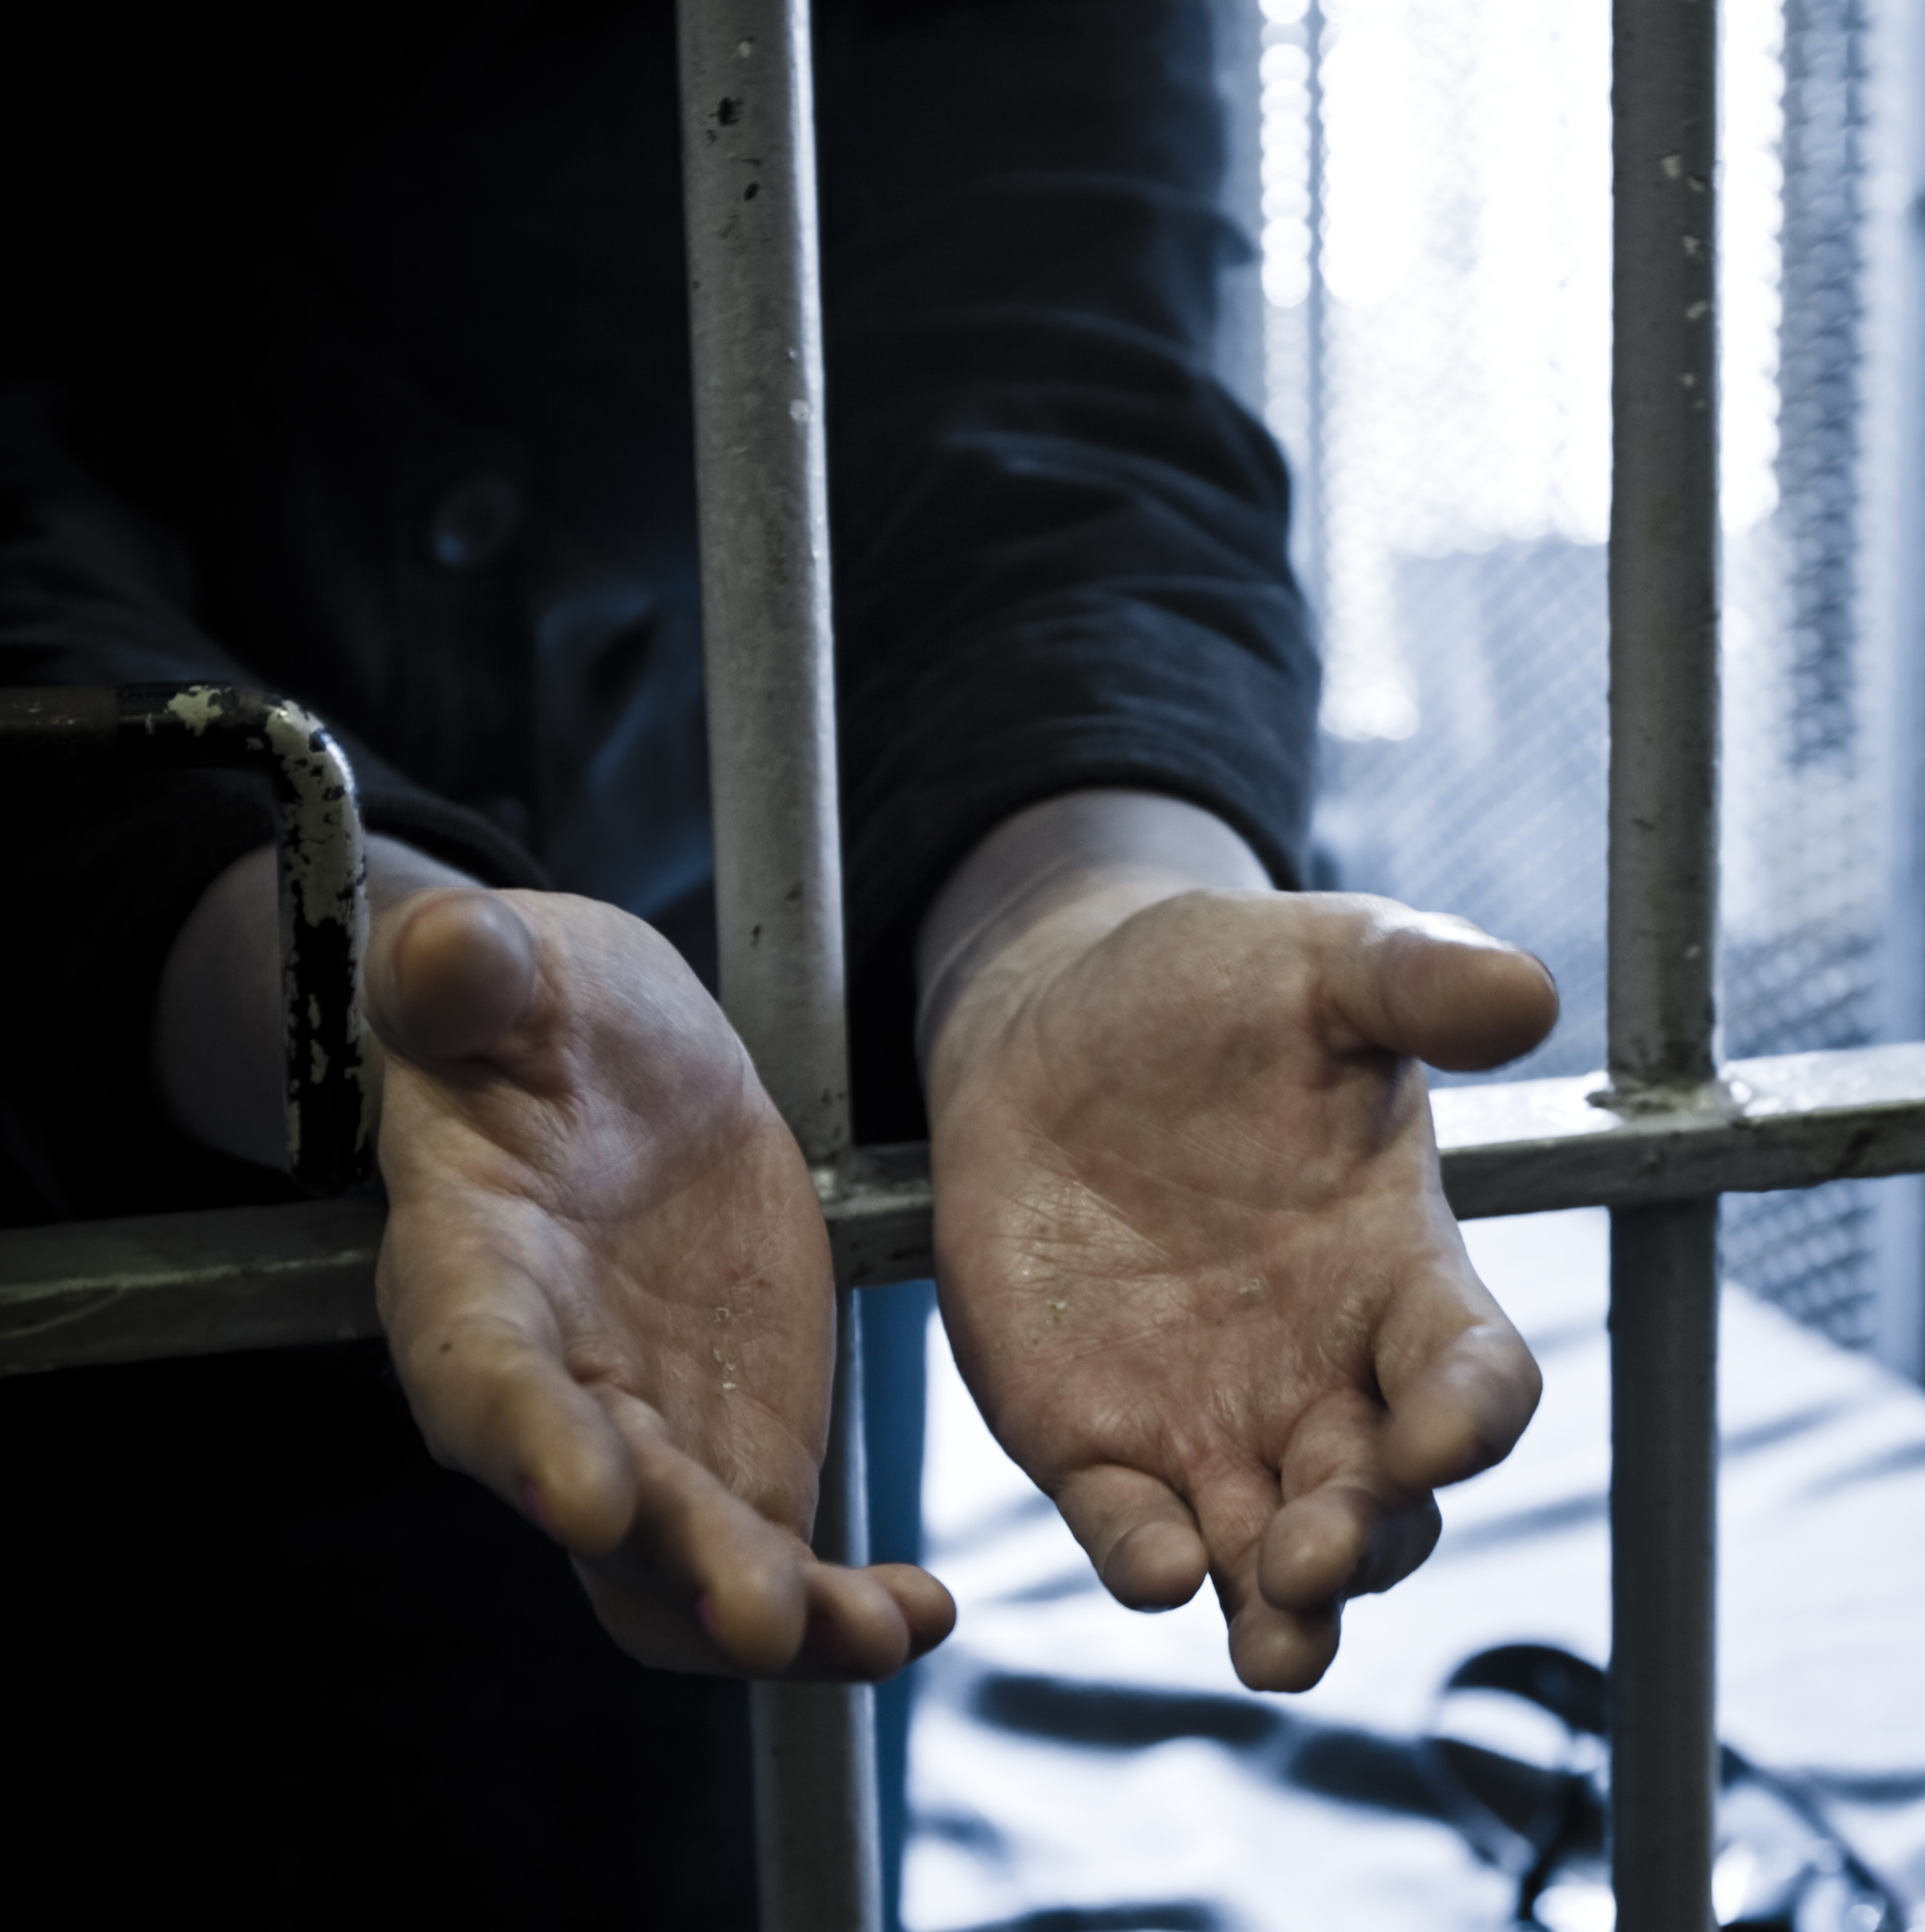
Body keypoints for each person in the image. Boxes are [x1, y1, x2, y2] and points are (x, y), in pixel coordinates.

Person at [0, 2, 1551, 1921]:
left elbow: (1053, 375)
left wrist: (1075, 915)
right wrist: (314, 944)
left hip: (712, 1153)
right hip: (81, 1133)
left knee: (701, 1775)